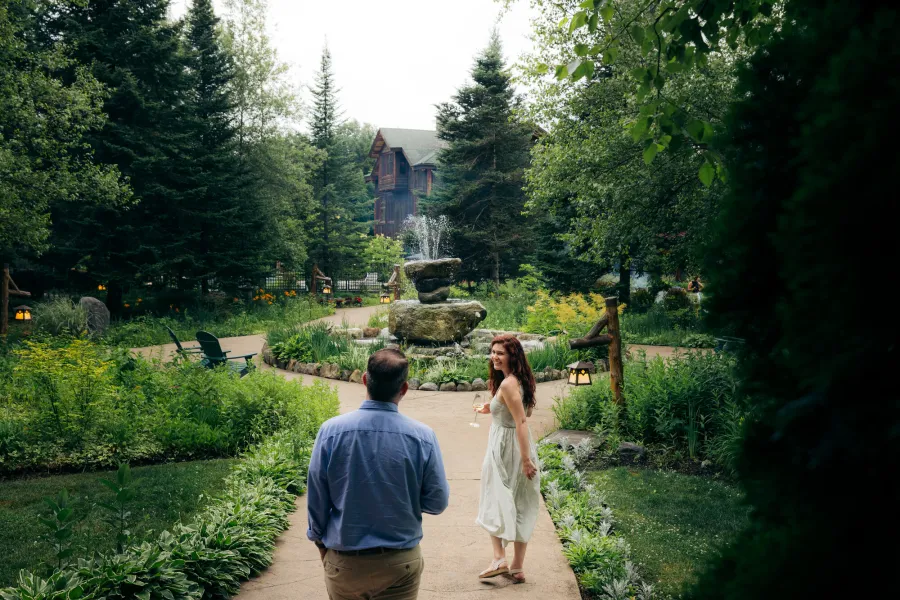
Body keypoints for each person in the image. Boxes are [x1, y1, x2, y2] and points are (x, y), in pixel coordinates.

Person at [307, 348, 450, 600]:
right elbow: (437, 503)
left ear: (364, 379)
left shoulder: (330, 432)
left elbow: (317, 495)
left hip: (346, 562)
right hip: (400, 562)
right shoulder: (422, 437)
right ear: (404, 388)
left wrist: (320, 542)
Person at [473, 334, 540, 583]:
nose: (494, 357)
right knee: (521, 500)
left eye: (500, 353)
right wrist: (489, 407)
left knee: (494, 497)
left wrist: (525, 460)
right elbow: (522, 410)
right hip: (519, 445)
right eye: (493, 352)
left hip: (506, 448)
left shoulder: (508, 384)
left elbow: (521, 420)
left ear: (513, 355)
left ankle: (499, 558)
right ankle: (517, 568)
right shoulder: (519, 381)